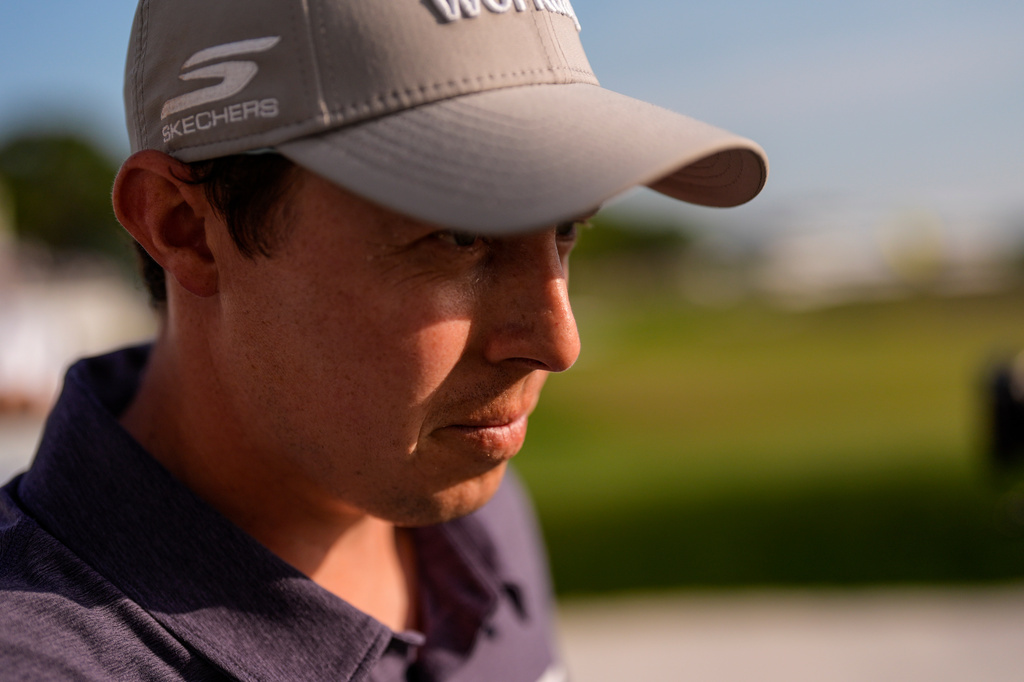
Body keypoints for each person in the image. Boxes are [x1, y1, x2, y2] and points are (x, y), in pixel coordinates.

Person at [0, 0, 767, 680]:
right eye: (458, 237)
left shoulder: (471, 514)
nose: (558, 342)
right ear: (184, 228)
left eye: (566, 230)